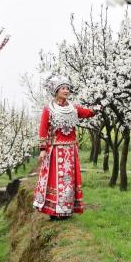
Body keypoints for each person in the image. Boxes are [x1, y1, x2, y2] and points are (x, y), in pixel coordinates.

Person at [33, 76, 95, 220]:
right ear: (56, 91)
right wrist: (43, 149)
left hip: (70, 152)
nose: (66, 91)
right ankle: (53, 211)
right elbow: (43, 129)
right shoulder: (49, 109)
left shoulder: (73, 107)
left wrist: (99, 106)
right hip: (55, 151)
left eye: (67, 88)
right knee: (55, 181)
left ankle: (66, 210)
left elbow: (87, 113)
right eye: (63, 88)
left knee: (68, 181)